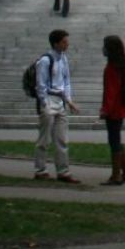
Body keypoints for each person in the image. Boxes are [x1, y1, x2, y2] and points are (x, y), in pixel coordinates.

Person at [32, 29, 80, 182]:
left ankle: (63, 171)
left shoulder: (63, 58)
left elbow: (66, 81)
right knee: (44, 139)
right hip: (49, 100)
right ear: (56, 43)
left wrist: (68, 100)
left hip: (60, 102)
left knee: (61, 139)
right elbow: (41, 85)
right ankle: (40, 170)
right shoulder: (45, 61)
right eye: (64, 42)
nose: (67, 44)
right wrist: (44, 103)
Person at [100, 34, 125, 185]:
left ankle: (116, 175)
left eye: (105, 46)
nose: (103, 49)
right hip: (120, 108)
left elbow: (111, 92)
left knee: (114, 141)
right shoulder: (122, 65)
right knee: (117, 140)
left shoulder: (111, 68)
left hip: (113, 110)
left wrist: (105, 110)